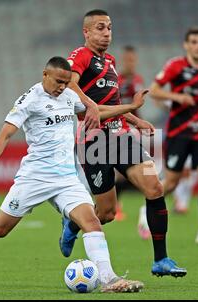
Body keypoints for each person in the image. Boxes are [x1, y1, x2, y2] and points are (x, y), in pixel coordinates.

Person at [0, 56, 147, 293]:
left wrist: (131, 113)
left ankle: (109, 279)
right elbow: (4, 136)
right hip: (35, 177)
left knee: (92, 221)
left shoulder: (69, 96)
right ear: (45, 75)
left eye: (66, 82)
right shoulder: (29, 100)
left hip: (66, 179)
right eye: (58, 81)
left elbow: (98, 112)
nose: (63, 86)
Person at [60, 9, 186, 277]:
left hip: (120, 135)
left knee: (154, 187)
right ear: (87, 32)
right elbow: (69, 86)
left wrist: (134, 120)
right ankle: (72, 225)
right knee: (105, 214)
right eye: (100, 28)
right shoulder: (79, 56)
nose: (106, 33)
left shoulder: (111, 61)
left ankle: (160, 260)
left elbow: (113, 104)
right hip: (93, 140)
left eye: (109, 28)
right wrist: (91, 106)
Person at [147, 27, 198, 245]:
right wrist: (177, 96)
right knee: (172, 182)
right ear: (186, 45)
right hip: (179, 132)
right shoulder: (176, 66)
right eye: (193, 42)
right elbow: (153, 90)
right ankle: (147, 207)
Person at [114, 45, 146, 221]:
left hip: (132, 128)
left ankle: (118, 204)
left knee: (132, 170)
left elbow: (138, 108)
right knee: (119, 171)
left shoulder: (138, 80)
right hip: (116, 127)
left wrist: (139, 125)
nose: (131, 63)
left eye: (133, 60)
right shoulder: (116, 80)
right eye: (128, 60)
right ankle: (116, 205)